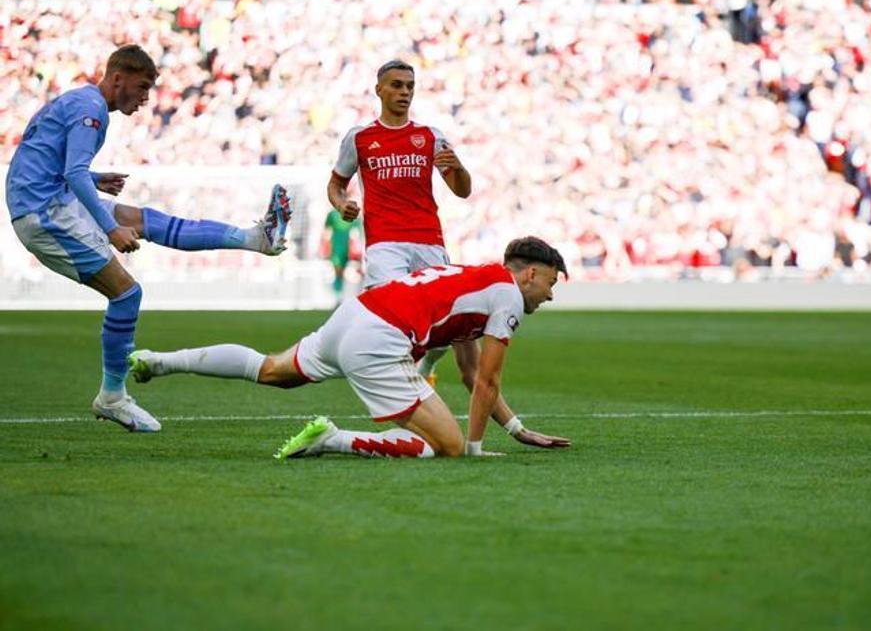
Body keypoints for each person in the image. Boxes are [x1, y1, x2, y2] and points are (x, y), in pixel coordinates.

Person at [5, 44, 292, 433]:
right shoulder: (91, 111)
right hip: (44, 215)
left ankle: (255, 238)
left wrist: (93, 179)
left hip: (51, 199)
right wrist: (109, 228)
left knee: (147, 221)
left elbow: (45, 162)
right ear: (117, 77)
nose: (144, 99)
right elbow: (70, 171)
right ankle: (112, 396)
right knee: (127, 294)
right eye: (140, 88)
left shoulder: (79, 101)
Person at [127, 237, 573, 458]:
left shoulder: (478, 281)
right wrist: (475, 449)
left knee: (272, 370)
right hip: (381, 337)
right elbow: (489, 379)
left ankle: (160, 361)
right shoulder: (509, 296)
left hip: (355, 314)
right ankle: (332, 439)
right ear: (530, 274)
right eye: (551, 283)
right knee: (449, 445)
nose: (549, 295)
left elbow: (473, 376)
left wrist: (516, 430)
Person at [327, 61, 514, 411]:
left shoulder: (430, 136)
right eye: (396, 85)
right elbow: (336, 184)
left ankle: (426, 366)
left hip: (429, 242)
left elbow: (462, 190)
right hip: (385, 244)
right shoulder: (360, 138)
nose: (404, 92)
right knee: (395, 319)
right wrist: (342, 205)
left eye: (410, 86)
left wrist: (457, 167)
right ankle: (402, 398)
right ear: (379, 89)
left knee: (443, 327)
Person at [322, 207, 361, 302]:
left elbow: (356, 231)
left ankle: (345, 296)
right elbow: (327, 230)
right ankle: (338, 297)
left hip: (348, 246)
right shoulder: (332, 214)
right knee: (338, 271)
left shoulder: (352, 213)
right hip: (336, 245)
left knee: (351, 272)